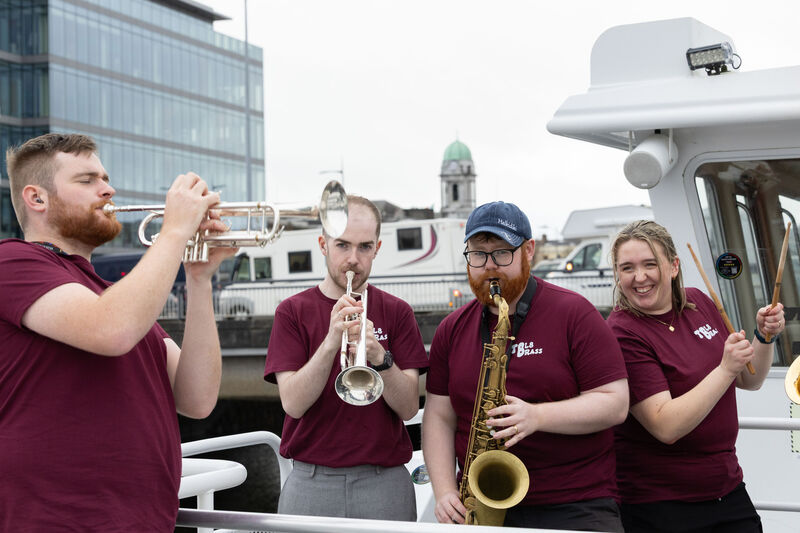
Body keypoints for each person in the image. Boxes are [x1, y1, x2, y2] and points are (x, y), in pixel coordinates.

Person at [0, 133, 234, 531]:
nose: (107, 189)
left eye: (105, 178)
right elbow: (111, 330)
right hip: (54, 521)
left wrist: (199, 279)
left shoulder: (112, 296)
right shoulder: (12, 261)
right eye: (87, 179)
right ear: (36, 198)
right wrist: (175, 233)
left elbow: (197, 398)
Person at [422, 201, 629, 531]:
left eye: (502, 253)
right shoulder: (451, 328)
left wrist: (537, 416)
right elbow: (439, 415)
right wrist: (445, 490)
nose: (490, 266)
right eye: (478, 254)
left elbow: (615, 402)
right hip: (481, 506)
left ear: (528, 250)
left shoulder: (575, 313)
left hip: (575, 504)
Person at [607, 219, 785, 533]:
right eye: (627, 268)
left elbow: (750, 379)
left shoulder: (699, 303)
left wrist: (764, 336)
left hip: (726, 488)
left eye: (650, 264)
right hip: (660, 504)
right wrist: (725, 368)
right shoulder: (622, 332)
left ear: (673, 266)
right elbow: (666, 426)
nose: (640, 277)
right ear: (617, 274)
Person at [264, 195, 428, 520]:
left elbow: (410, 408)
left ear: (377, 248)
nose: (353, 259)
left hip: (385, 482)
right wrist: (330, 343)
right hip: (311, 482)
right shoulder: (292, 312)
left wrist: (379, 355)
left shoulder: (398, 312)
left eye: (365, 247)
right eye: (342, 246)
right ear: (323, 244)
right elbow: (293, 404)